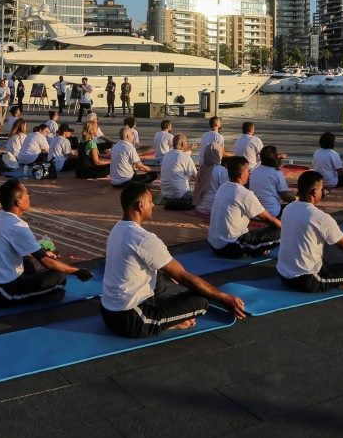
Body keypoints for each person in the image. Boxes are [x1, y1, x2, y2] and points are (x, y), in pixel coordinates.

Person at [100, 183, 246, 338]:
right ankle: (167, 323)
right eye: (150, 201)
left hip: (108, 312)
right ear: (140, 205)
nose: (153, 205)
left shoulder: (118, 228)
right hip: (131, 319)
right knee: (201, 302)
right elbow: (183, 278)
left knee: (159, 275)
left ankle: (166, 316)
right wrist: (224, 298)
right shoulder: (144, 239)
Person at [0, 180, 93, 307]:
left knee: (28, 259)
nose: (29, 197)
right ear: (18, 202)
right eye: (27, 195)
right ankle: (44, 295)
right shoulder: (18, 226)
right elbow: (47, 262)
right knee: (59, 276)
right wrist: (77, 271)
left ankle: (37, 289)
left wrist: (43, 253)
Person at [209, 156, 282, 257]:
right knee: (282, 232)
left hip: (214, 244)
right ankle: (253, 250)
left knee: (261, 231)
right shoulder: (244, 193)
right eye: (248, 171)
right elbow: (269, 219)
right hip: (231, 247)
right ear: (240, 175)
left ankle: (257, 248)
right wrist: (288, 228)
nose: (249, 174)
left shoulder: (223, 187)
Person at [247, 145, 295, 218]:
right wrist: (295, 199)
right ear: (275, 158)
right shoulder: (277, 173)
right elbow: (285, 197)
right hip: (272, 213)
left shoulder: (254, 172)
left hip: (255, 213)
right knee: (296, 208)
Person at [159, 134, 198, 211]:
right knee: (200, 189)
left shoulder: (167, 155)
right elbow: (197, 177)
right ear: (183, 144)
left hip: (165, 193)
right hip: (180, 194)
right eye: (187, 142)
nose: (187, 143)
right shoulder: (184, 156)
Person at [193, 146, 229, 216]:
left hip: (199, 207)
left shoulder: (202, 168)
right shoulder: (220, 169)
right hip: (214, 208)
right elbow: (225, 189)